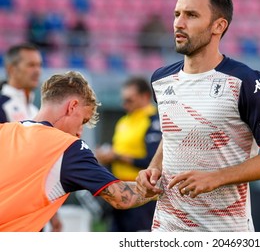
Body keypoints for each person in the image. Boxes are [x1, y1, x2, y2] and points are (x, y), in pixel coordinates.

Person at [136, 0, 260, 232]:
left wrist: (217, 178)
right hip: (166, 228)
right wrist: (153, 169)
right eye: (177, 14)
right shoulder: (160, 80)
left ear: (218, 26)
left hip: (224, 232)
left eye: (191, 15)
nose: (178, 23)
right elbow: (172, 133)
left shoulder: (246, 81)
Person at [0, 71, 155, 232]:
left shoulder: (5, 130)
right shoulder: (68, 148)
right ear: (72, 106)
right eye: (83, 121)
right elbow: (124, 198)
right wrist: (163, 187)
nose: (80, 132)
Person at [0, 43, 63, 232]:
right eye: (30, 65)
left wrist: (52, 212)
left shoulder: (36, 110)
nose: (37, 71)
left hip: (34, 209)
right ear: (11, 69)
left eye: (39, 65)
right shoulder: (2, 106)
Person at [95, 77, 161, 231]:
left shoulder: (154, 121)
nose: (124, 104)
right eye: (123, 100)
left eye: (130, 100)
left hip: (142, 195)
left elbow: (153, 161)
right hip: (119, 190)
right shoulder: (124, 121)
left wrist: (117, 156)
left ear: (145, 97)